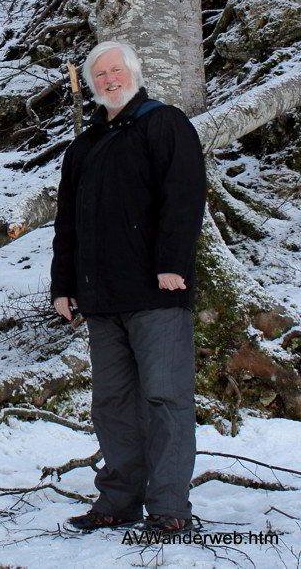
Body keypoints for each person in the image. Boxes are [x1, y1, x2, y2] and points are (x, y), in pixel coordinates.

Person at [50, 41, 206, 535]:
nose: (109, 79)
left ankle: (169, 509)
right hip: (102, 299)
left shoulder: (164, 123)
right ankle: (119, 500)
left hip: (157, 292)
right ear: (91, 85)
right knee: (113, 403)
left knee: (164, 398)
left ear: (134, 73)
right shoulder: (85, 145)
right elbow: (69, 224)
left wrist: (171, 264)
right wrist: (64, 286)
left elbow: (184, 194)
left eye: (116, 70)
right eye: (100, 74)